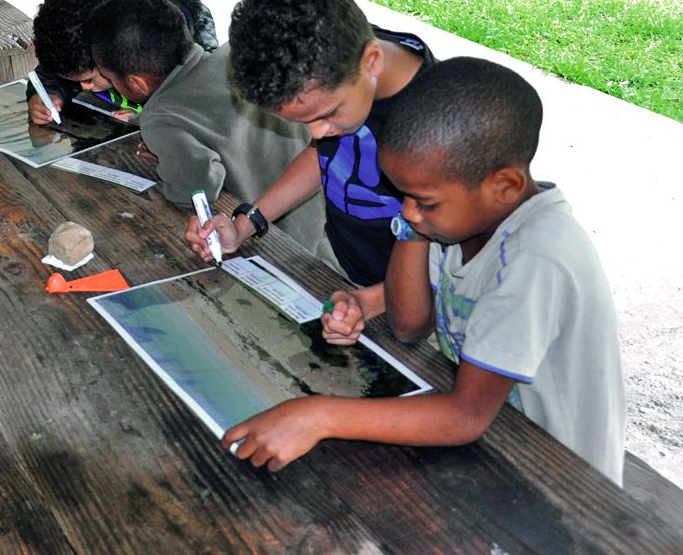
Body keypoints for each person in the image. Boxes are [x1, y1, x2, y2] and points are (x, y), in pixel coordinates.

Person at [223, 57, 626, 486]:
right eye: (403, 196)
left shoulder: (537, 256)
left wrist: (318, 415)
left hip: (559, 476)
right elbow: (410, 323)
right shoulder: (461, 222)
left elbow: (464, 416)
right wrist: (367, 298)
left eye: (423, 201)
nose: (408, 210)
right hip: (494, 446)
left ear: (503, 186)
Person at [186, 0, 435, 283]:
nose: (317, 134)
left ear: (371, 61)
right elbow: (324, 157)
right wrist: (244, 225)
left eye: (326, 115)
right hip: (339, 261)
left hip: (416, 296)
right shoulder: (339, 60)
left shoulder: (439, 124)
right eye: (306, 122)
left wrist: (379, 301)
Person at [83, 0, 323, 243]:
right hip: (332, 215)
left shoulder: (161, 117)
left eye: (109, 78)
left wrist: (168, 162)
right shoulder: (238, 52)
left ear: (137, 84)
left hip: (285, 242)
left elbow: (197, 189)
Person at [26, 0, 219, 125]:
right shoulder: (77, 54)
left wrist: (149, 121)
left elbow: (205, 116)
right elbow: (48, 75)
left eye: (89, 80)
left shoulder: (184, 69)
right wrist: (47, 95)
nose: (84, 87)